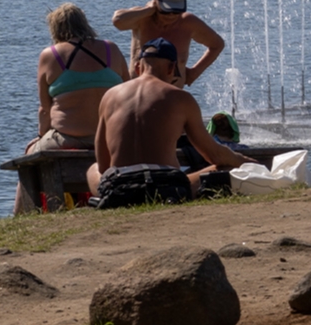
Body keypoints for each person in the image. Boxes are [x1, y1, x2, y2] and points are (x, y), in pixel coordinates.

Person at [85, 39, 248, 208]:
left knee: (93, 169)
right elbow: (214, 155)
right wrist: (242, 160)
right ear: (171, 68)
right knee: (223, 168)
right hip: (168, 188)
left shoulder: (110, 96)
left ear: (137, 68)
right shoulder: (182, 98)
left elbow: (104, 165)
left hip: (120, 189)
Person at [14, 3, 129, 213]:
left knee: (28, 157)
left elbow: (45, 110)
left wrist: (41, 137)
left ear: (55, 29)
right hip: (110, 137)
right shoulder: (111, 49)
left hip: (68, 137)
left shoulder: (50, 55)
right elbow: (128, 91)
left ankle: (21, 215)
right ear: (84, 24)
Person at [111, 0, 225, 86]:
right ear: (155, 1)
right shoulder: (141, 18)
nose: (171, 15)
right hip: (138, 95)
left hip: (172, 98)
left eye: (176, 11)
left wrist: (194, 73)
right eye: (166, 10)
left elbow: (217, 45)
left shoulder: (189, 23)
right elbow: (117, 21)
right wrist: (148, 9)